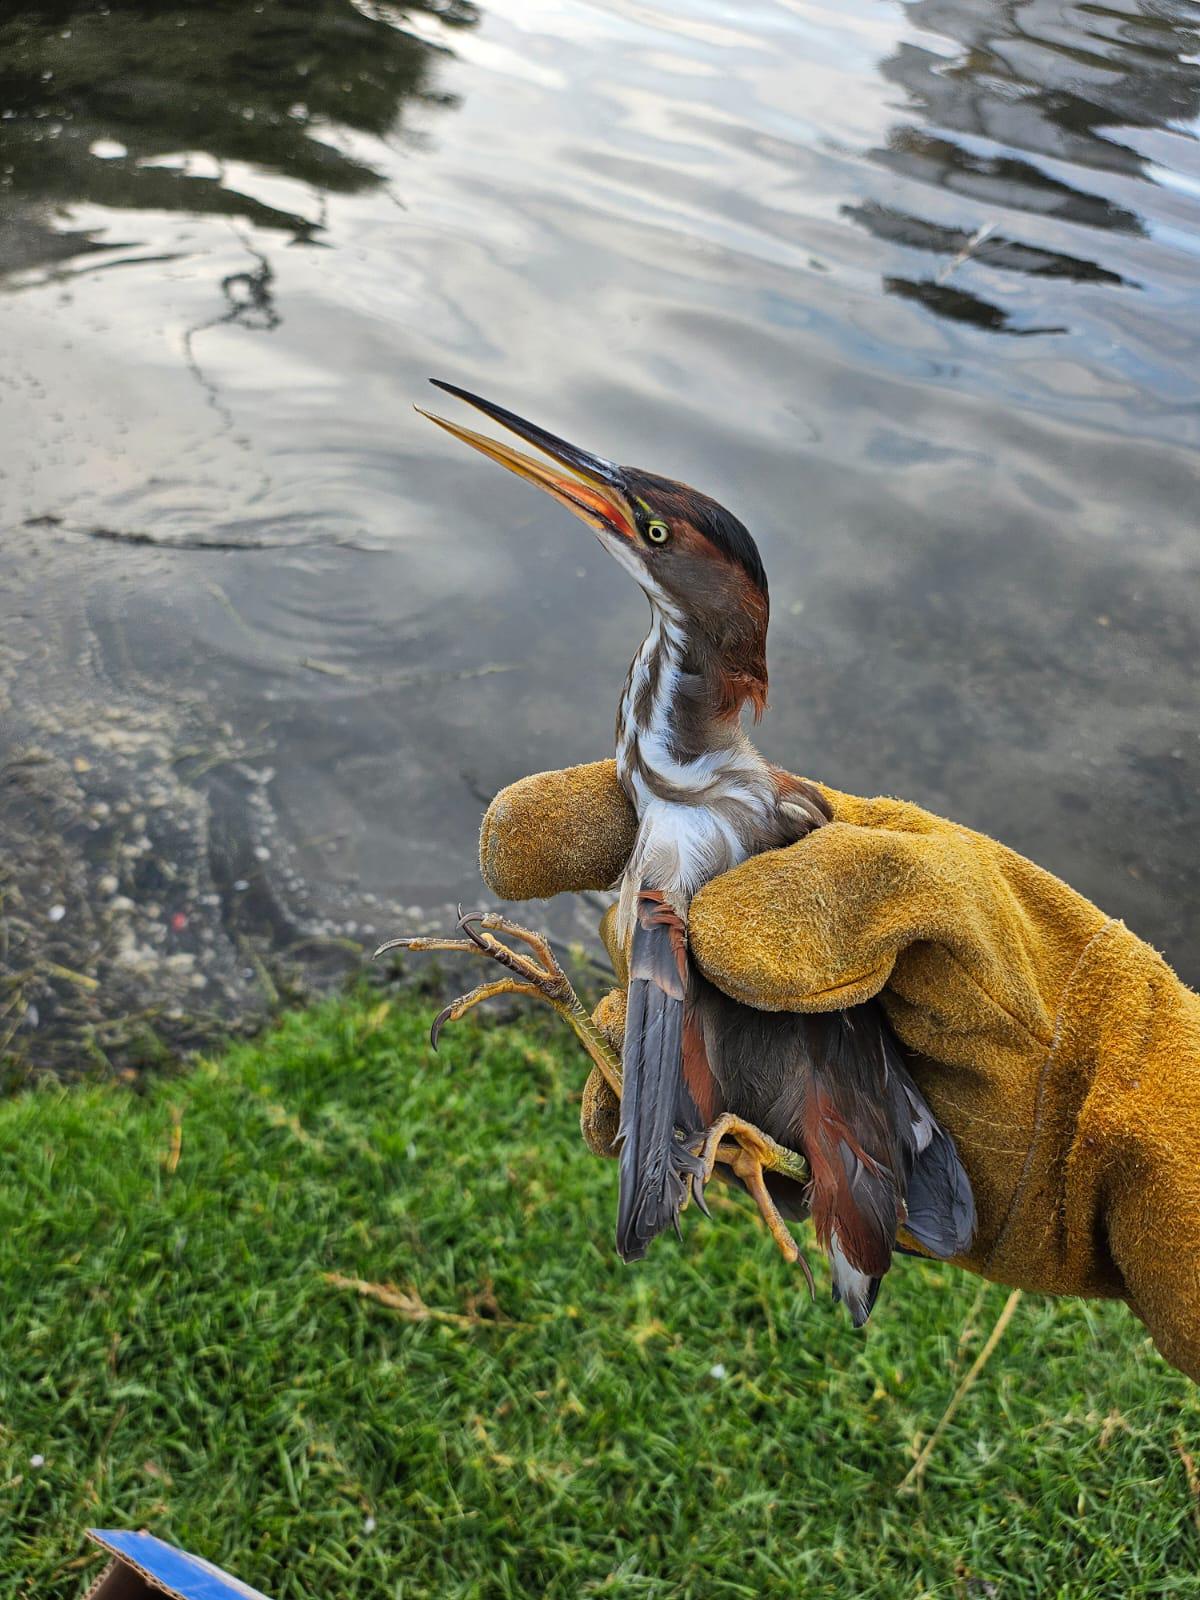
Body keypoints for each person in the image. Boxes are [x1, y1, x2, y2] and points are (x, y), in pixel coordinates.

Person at [479, 760, 1200, 1381]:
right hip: (868, 1120)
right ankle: (747, 1142)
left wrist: (1097, 1074)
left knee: (695, 987)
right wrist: (1121, 1093)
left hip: (861, 1120)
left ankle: (747, 1143)